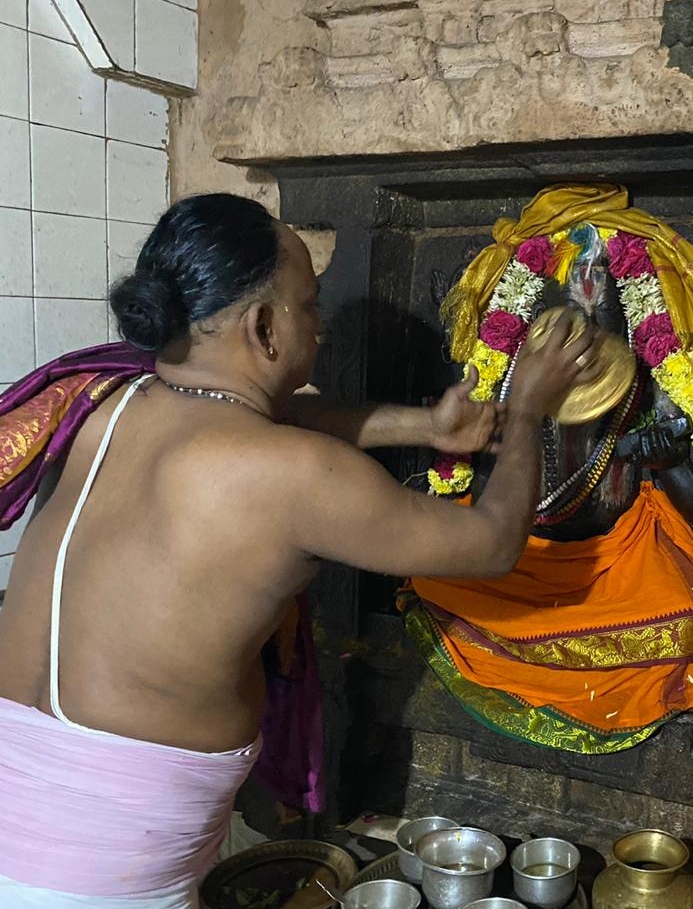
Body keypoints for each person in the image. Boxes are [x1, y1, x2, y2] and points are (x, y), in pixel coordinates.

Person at [0, 193, 603, 908]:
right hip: (105, 877)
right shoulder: (293, 475)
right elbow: (493, 542)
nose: (317, 324)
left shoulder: (105, 404)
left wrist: (423, 426)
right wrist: (529, 405)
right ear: (262, 327)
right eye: (309, 306)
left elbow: (258, 411)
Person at [401, 185, 693, 752]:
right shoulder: (508, 380)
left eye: (602, 310)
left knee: (686, 619)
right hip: (520, 562)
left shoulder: (653, 379)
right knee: (437, 586)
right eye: (567, 309)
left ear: (633, 315)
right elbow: (487, 507)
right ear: (531, 316)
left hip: (622, 566)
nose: (586, 324)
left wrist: (658, 456)